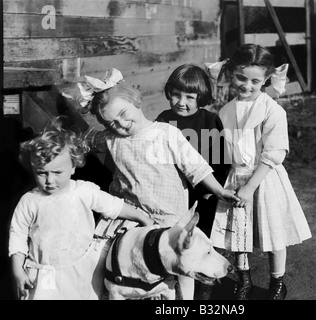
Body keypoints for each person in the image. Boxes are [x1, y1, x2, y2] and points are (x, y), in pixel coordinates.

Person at [75, 68, 239, 300]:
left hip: (168, 215)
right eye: (111, 122)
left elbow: (196, 167)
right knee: (107, 260)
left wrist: (220, 190)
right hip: (130, 217)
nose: (121, 123)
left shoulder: (166, 133)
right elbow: (86, 141)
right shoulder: (111, 139)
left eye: (123, 113)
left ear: (135, 101)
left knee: (180, 266)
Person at [209, 44, 312, 300]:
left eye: (255, 81)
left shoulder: (273, 110)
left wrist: (250, 187)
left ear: (266, 79)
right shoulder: (225, 111)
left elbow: (273, 154)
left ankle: (278, 282)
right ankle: (244, 279)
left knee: (272, 233)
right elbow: (223, 149)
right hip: (236, 177)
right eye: (241, 78)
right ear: (231, 73)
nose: (246, 85)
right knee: (238, 233)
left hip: (263, 179)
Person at [9, 120, 154, 300]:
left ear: (73, 167)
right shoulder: (30, 201)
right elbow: (18, 236)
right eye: (41, 172)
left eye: (57, 172)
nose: (49, 180)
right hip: (44, 273)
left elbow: (114, 206)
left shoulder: (83, 191)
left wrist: (143, 218)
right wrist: (18, 271)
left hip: (82, 270)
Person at [155, 64, 230, 300]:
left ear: (201, 97)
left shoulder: (210, 121)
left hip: (204, 195)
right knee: (175, 240)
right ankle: (170, 284)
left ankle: (205, 284)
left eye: (189, 96)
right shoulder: (163, 121)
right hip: (174, 193)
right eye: (176, 95)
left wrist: (212, 191)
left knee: (203, 239)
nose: (181, 102)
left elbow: (221, 162)